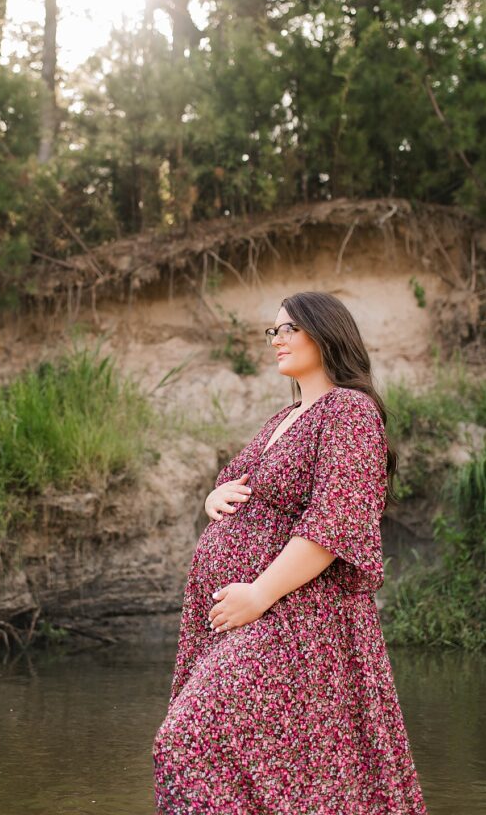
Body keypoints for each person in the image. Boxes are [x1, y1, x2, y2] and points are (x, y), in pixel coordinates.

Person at [152, 290, 429, 814]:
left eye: (289, 329)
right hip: (245, 617)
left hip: (295, 616)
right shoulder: (283, 418)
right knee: (261, 764)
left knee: (187, 741)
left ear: (325, 334)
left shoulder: (349, 411)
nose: (276, 339)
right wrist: (214, 496)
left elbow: (334, 522)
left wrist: (258, 594)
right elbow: (246, 488)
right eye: (272, 331)